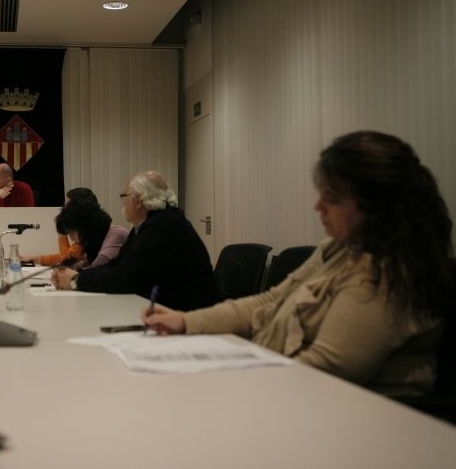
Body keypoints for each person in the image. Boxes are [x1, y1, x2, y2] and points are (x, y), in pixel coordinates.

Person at [143, 131, 454, 396]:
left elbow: (321, 372)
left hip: (350, 426)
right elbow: (270, 300)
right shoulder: (340, 250)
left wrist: (217, 381)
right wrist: (186, 322)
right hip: (291, 396)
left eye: (330, 198)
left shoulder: (386, 274)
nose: (318, 207)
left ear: (377, 207)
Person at [52, 170, 219, 311]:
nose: (123, 202)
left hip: (191, 318)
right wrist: (78, 274)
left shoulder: (163, 226)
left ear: (138, 201)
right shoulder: (147, 225)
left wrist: (76, 280)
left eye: (124, 196)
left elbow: (127, 279)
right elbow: (117, 264)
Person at [23, 187, 98, 266]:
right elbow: (70, 256)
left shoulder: (87, 234)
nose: (64, 210)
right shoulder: (88, 228)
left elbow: (66, 259)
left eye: (67, 206)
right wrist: (36, 259)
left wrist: (61, 232)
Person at [55, 200, 128, 268]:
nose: (72, 239)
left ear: (84, 227)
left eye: (72, 234)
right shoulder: (96, 240)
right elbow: (87, 263)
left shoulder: (117, 234)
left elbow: (96, 270)